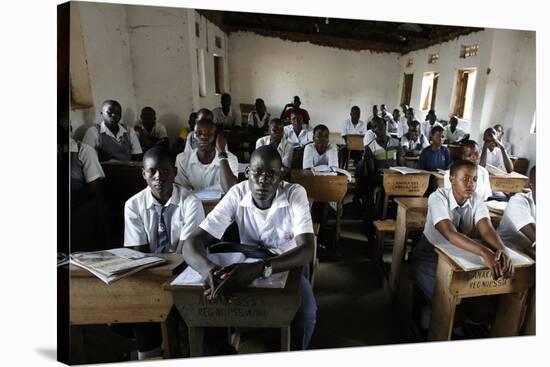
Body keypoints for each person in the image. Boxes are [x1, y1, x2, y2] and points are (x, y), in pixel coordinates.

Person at [182, 145, 316, 350]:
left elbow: (307, 250)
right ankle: (223, 351)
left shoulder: (294, 193)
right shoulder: (238, 192)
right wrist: (208, 269)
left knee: (306, 312)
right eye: (257, 173)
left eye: (271, 174)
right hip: (247, 262)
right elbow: (193, 242)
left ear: (281, 176)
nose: (263, 180)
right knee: (203, 302)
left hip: (286, 264)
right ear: (247, 173)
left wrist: (261, 268)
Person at [123, 147, 205, 360]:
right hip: (150, 274)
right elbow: (138, 254)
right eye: (152, 171)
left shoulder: (191, 202)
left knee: (187, 308)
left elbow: (185, 252)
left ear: (175, 172)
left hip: (184, 272)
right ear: (144, 174)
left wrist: (172, 257)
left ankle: (186, 348)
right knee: (142, 303)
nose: (159, 177)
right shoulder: (133, 205)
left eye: (166, 171)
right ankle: (149, 353)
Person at [413, 160, 514, 332]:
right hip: (431, 256)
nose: (471, 184)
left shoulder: (476, 199)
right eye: (465, 178)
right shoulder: (437, 197)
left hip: (461, 254)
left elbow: (487, 229)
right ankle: (430, 320)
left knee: (480, 308)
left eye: (474, 179)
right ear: (452, 179)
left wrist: (502, 250)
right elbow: (450, 234)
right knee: (451, 308)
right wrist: (485, 252)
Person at [357, 117, 404, 244]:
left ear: (386, 126)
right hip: (379, 178)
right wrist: (386, 174)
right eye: (376, 127)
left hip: (395, 178)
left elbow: (401, 164)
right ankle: (377, 224)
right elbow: (372, 171)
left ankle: (399, 222)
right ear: (372, 130)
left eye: (382, 126)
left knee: (405, 191)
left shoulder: (396, 143)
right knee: (381, 193)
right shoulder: (370, 148)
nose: (381, 129)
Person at [175, 118, 238, 193]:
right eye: (198, 133)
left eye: (209, 134)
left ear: (216, 137)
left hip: (221, 204)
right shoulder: (182, 159)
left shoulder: (230, 159)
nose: (203, 137)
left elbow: (230, 190)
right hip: (191, 203)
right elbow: (182, 192)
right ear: (194, 138)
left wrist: (221, 153)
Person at [497, 165, 536, 257]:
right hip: (509, 251)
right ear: (532, 186)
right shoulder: (517, 201)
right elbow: (535, 235)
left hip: (529, 251)